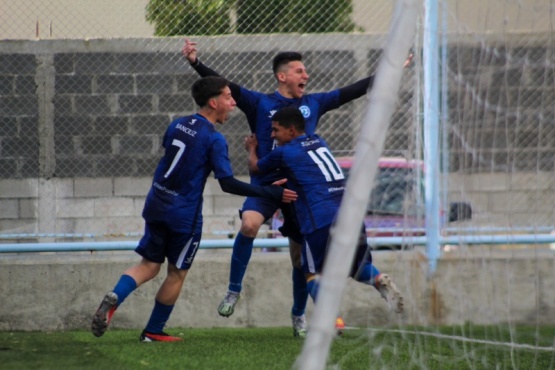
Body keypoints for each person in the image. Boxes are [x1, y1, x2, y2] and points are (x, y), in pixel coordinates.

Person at [182, 39, 411, 337]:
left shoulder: (313, 103)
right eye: (300, 71)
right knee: (249, 224)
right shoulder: (259, 103)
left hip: (299, 190)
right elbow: (225, 86)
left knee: (300, 259)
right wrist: (195, 62)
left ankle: (298, 316)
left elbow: (356, 89)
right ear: (283, 76)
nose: (306, 76)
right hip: (265, 186)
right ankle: (233, 291)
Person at [91, 76, 297, 342]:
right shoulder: (214, 139)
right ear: (213, 102)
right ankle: (153, 332)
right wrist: (270, 191)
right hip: (183, 215)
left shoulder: (177, 124)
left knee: (149, 265)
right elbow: (227, 183)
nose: (233, 102)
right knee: (176, 273)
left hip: (156, 203)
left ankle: (116, 295)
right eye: (227, 97)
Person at [245, 107, 404, 318]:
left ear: (291, 130)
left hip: (320, 218)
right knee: (359, 266)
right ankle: (379, 280)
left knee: (311, 272)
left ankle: (331, 320)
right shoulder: (319, 141)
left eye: (276, 130)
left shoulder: (283, 153)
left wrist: (252, 148)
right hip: (351, 214)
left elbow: (255, 168)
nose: (273, 135)